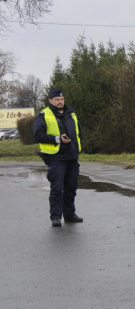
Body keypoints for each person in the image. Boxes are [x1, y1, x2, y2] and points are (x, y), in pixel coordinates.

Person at [34, 88, 84, 227]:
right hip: (56, 157)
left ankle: (69, 214)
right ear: (50, 100)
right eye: (56, 99)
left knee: (71, 187)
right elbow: (37, 135)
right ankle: (55, 216)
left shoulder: (71, 113)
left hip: (72, 156)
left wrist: (78, 146)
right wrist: (57, 139)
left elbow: (78, 132)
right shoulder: (44, 115)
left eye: (61, 99)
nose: (60, 102)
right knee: (57, 188)